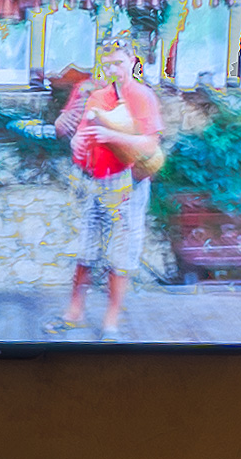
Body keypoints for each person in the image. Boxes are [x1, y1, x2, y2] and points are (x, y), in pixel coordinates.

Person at [52, 34, 173, 338]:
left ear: (132, 61)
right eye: (107, 65)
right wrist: (77, 143)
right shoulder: (97, 96)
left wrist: (114, 137)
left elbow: (150, 144)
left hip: (128, 183)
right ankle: (74, 313)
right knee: (86, 252)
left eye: (119, 63)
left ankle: (111, 323)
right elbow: (82, 134)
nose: (113, 70)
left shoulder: (143, 96)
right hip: (96, 180)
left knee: (120, 256)